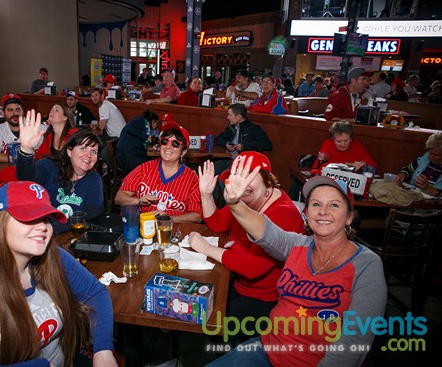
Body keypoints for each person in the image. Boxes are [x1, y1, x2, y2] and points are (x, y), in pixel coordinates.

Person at [198, 161, 386, 367]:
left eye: (334, 205)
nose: (323, 211)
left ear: (349, 217)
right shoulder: (298, 245)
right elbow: (266, 232)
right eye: (316, 204)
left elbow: (354, 344)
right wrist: (234, 203)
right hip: (267, 348)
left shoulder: (366, 264)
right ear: (306, 213)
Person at [0, 181, 117, 366]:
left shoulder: (53, 256)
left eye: (45, 218)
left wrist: (103, 350)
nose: (43, 227)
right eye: (29, 217)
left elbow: (95, 293)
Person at [191, 152, 304, 331]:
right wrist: (206, 195)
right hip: (238, 283)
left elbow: (251, 268)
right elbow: (218, 224)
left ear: (268, 181)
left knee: (211, 322)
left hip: (266, 299)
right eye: (236, 177)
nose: (241, 184)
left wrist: (206, 248)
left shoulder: (283, 214)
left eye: (248, 176)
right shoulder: (244, 199)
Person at [16, 109, 104, 232]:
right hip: (42, 234)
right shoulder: (50, 166)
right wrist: (26, 149)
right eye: (83, 148)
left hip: (71, 237)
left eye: (94, 151)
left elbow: (92, 214)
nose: (89, 155)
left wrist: (53, 228)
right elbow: (26, 177)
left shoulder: (94, 179)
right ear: (69, 151)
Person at [115, 121, 202, 223]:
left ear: (183, 152)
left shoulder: (191, 178)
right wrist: (138, 201)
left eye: (175, 143)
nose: (168, 147)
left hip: (173, 232)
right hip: (142, 228)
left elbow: (197, 216)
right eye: (165, 141)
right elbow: (119, 198)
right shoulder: (144, 169)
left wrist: (168, 219)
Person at [0, 93, 45, 163]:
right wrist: (19, 159)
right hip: (10, 171)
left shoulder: (36, 127)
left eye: (18, 110)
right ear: (3, 113)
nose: (15, 113)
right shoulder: (1, 129)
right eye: (10, 110)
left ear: (23, 110)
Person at [312, 120, 377, 171]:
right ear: (333, 140)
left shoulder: (357, 146)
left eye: (346, 140)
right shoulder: (328, 144)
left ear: (351, 138)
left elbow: (373, 166)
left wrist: (363, 164)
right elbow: (316, 167)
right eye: (339, 141)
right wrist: (346, 165)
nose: (343, 144)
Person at [395, 132, 442, 198]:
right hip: (412, 198)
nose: (430, 156)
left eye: (435, 154)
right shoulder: (425, 157)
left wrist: (429, 189)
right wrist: (403, 174)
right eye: (429, 151)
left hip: (433, 206)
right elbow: (408, 169)